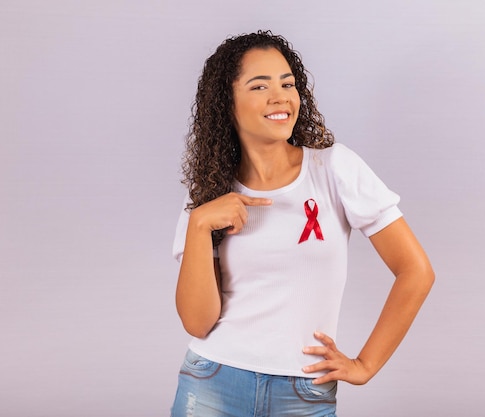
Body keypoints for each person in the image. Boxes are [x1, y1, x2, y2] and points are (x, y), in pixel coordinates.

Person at [170, 30, 435, 417]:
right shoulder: (211, 192)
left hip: (303, 392)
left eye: (287, 83)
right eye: (259, 86)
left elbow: (416, 271)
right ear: (227, 103)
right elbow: (198, 321)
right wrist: (199, 226)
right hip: (212, 384)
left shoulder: (334, 168)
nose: (280, 97)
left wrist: (365, 365)